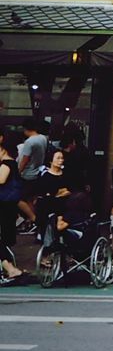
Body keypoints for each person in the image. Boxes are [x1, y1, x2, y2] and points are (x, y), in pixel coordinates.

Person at [0, 133, 28, 282]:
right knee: (5, 240)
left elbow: (1, 179)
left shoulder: (6, 164)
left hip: (3, 206)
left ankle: (10, 269)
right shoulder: (13, 165)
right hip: (10, 205)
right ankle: (10, 268)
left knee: (2, 240)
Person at [15, 119, 49, 233]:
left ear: (26, 129)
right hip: (38, 172)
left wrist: (18, 172)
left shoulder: (29, 142)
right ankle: (34, 222)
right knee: (30, 199)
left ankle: (34, 219)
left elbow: (24, 159)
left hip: (27, 174)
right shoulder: (43, 138)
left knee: (17, 198)